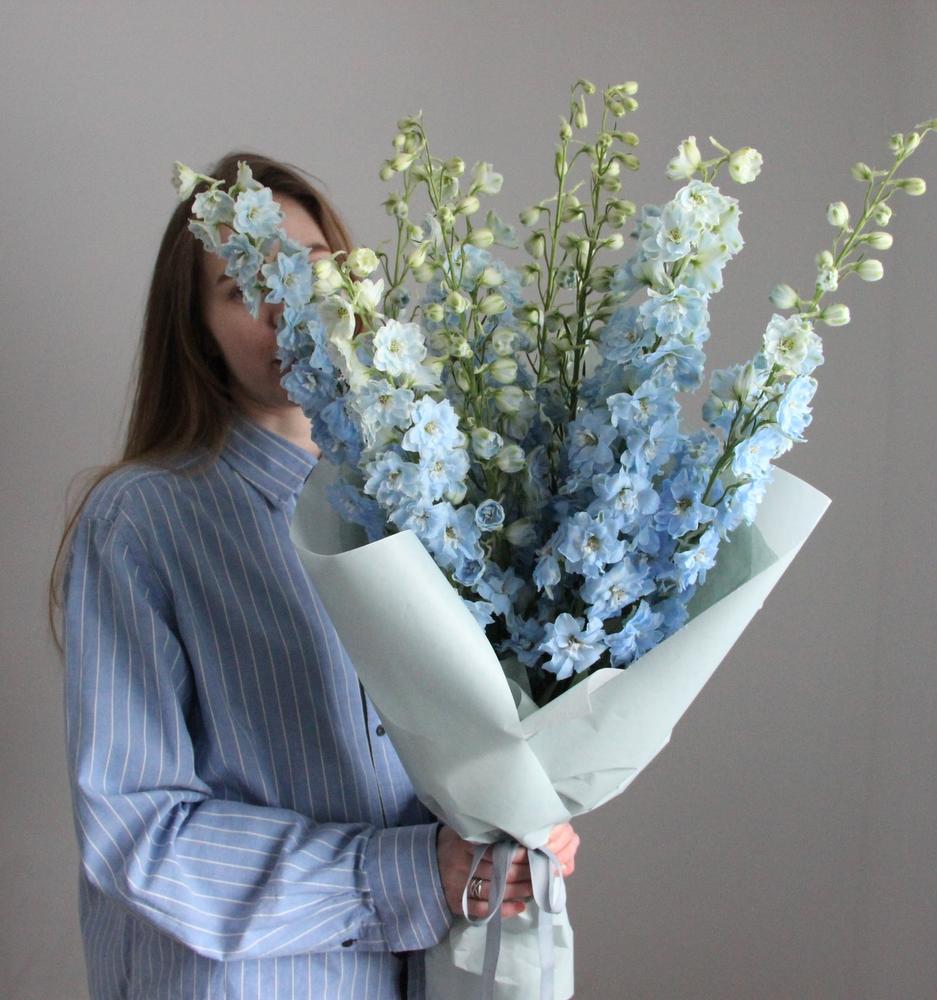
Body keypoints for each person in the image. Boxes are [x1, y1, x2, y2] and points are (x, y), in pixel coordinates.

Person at [50, 152, 580, 1000]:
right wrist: (414, 874)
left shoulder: (434, 503)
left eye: (311, 266)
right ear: (197, 329)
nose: (287, 302)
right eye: (242, 287)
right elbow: (138, 833)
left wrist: (520, 824)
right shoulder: (143, 523)